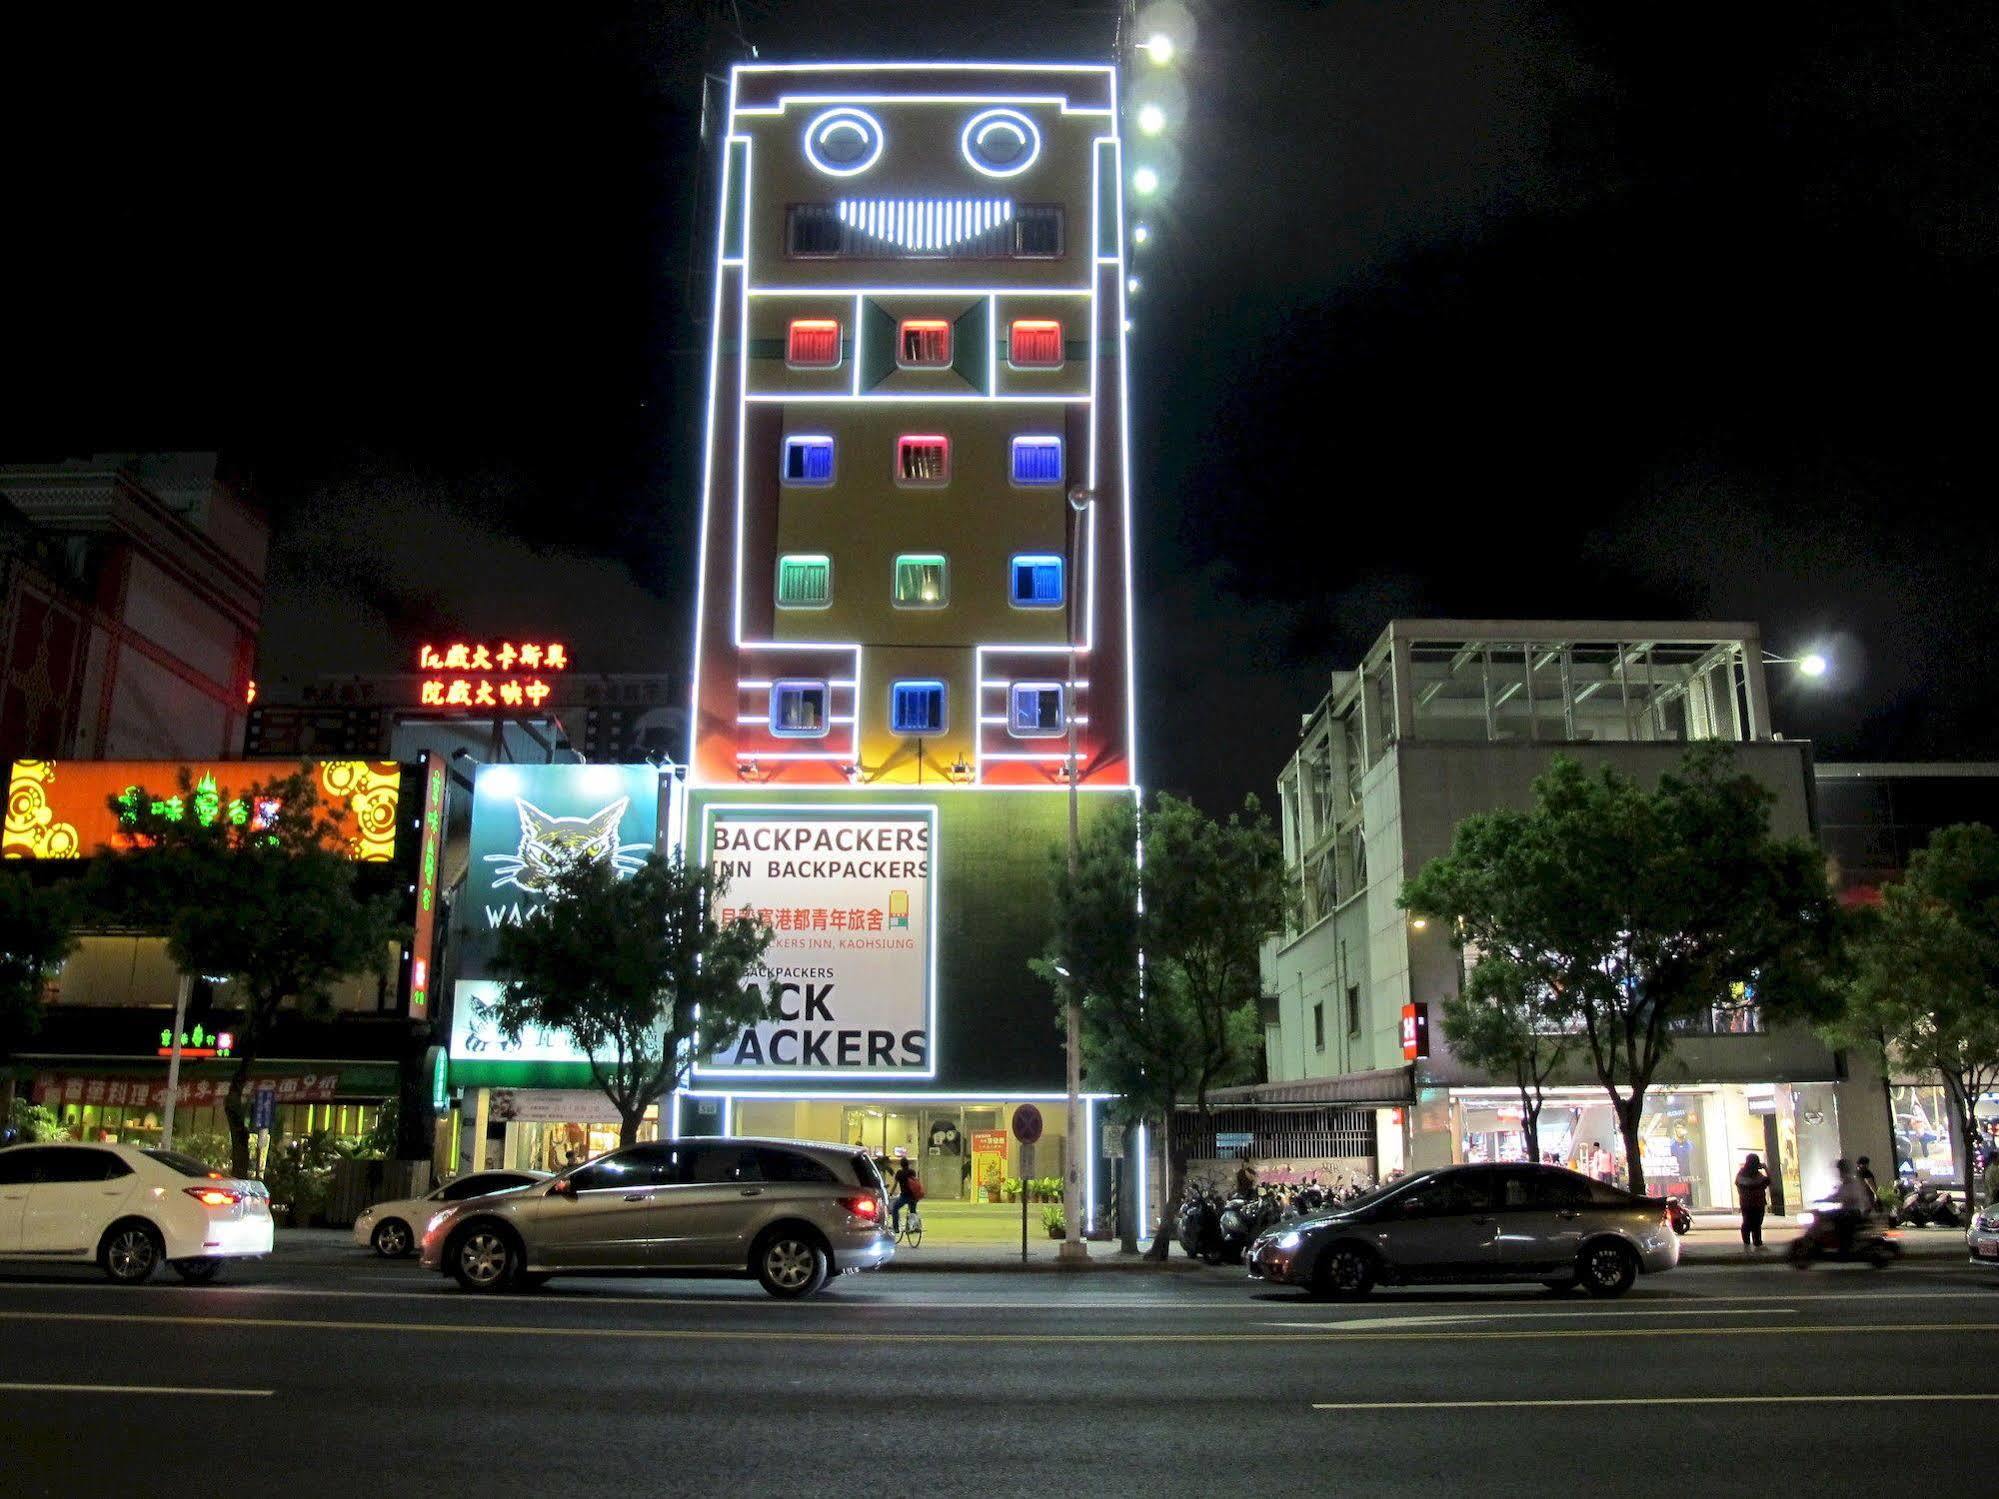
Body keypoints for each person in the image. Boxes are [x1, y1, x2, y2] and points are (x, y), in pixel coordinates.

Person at [1827, 1158, 1867, 1253]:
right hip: (1848, 1211)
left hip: (1852, 1212)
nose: (1838, 1172)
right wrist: (1823, 1199)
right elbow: (1837, 1195)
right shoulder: (1845, 1182)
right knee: (1828, 1216)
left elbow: (1849, 1196)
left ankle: (1844, 1245)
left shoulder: (1851, 1181)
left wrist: (1837, 1198)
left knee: (1835, 1218)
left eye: (1839, 1169)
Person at [1734, 1152, 1772, 1249]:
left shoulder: (1741, 1175)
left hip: (1745, 1203)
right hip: (1757, 1203)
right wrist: (1765, 1168)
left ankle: (1748, 1243)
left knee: (1748, 1222)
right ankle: (1757, 1242)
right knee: (1756, 1223)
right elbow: (1769, 1181)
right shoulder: (1758, 1176)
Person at [890, 1160, 921, 1232]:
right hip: (914, 1196)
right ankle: (916, 1226)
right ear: (908, 1164)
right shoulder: (912, 1172)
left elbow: (895, 1184)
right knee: (913, 1211)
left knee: (895, 1208)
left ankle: (896, 1227)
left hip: (905, 1196)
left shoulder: (899, 1173)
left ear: (901, 1165)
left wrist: (891, 1193)